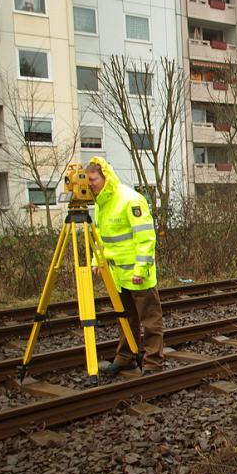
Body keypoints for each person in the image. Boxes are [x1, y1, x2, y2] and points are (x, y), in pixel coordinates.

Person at [86, 157, 165, 373]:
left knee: (150, 320)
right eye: (88, 180)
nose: (90, 184)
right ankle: (125, 356)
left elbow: (146, 238)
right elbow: (100, 237)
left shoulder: (131, 200)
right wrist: (97, 261)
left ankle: (153, 362)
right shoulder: (101, 204)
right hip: (118, 275)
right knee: (125, 318)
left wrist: (140, 270)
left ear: (105, 177)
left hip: (138, 275)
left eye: (93, 179)